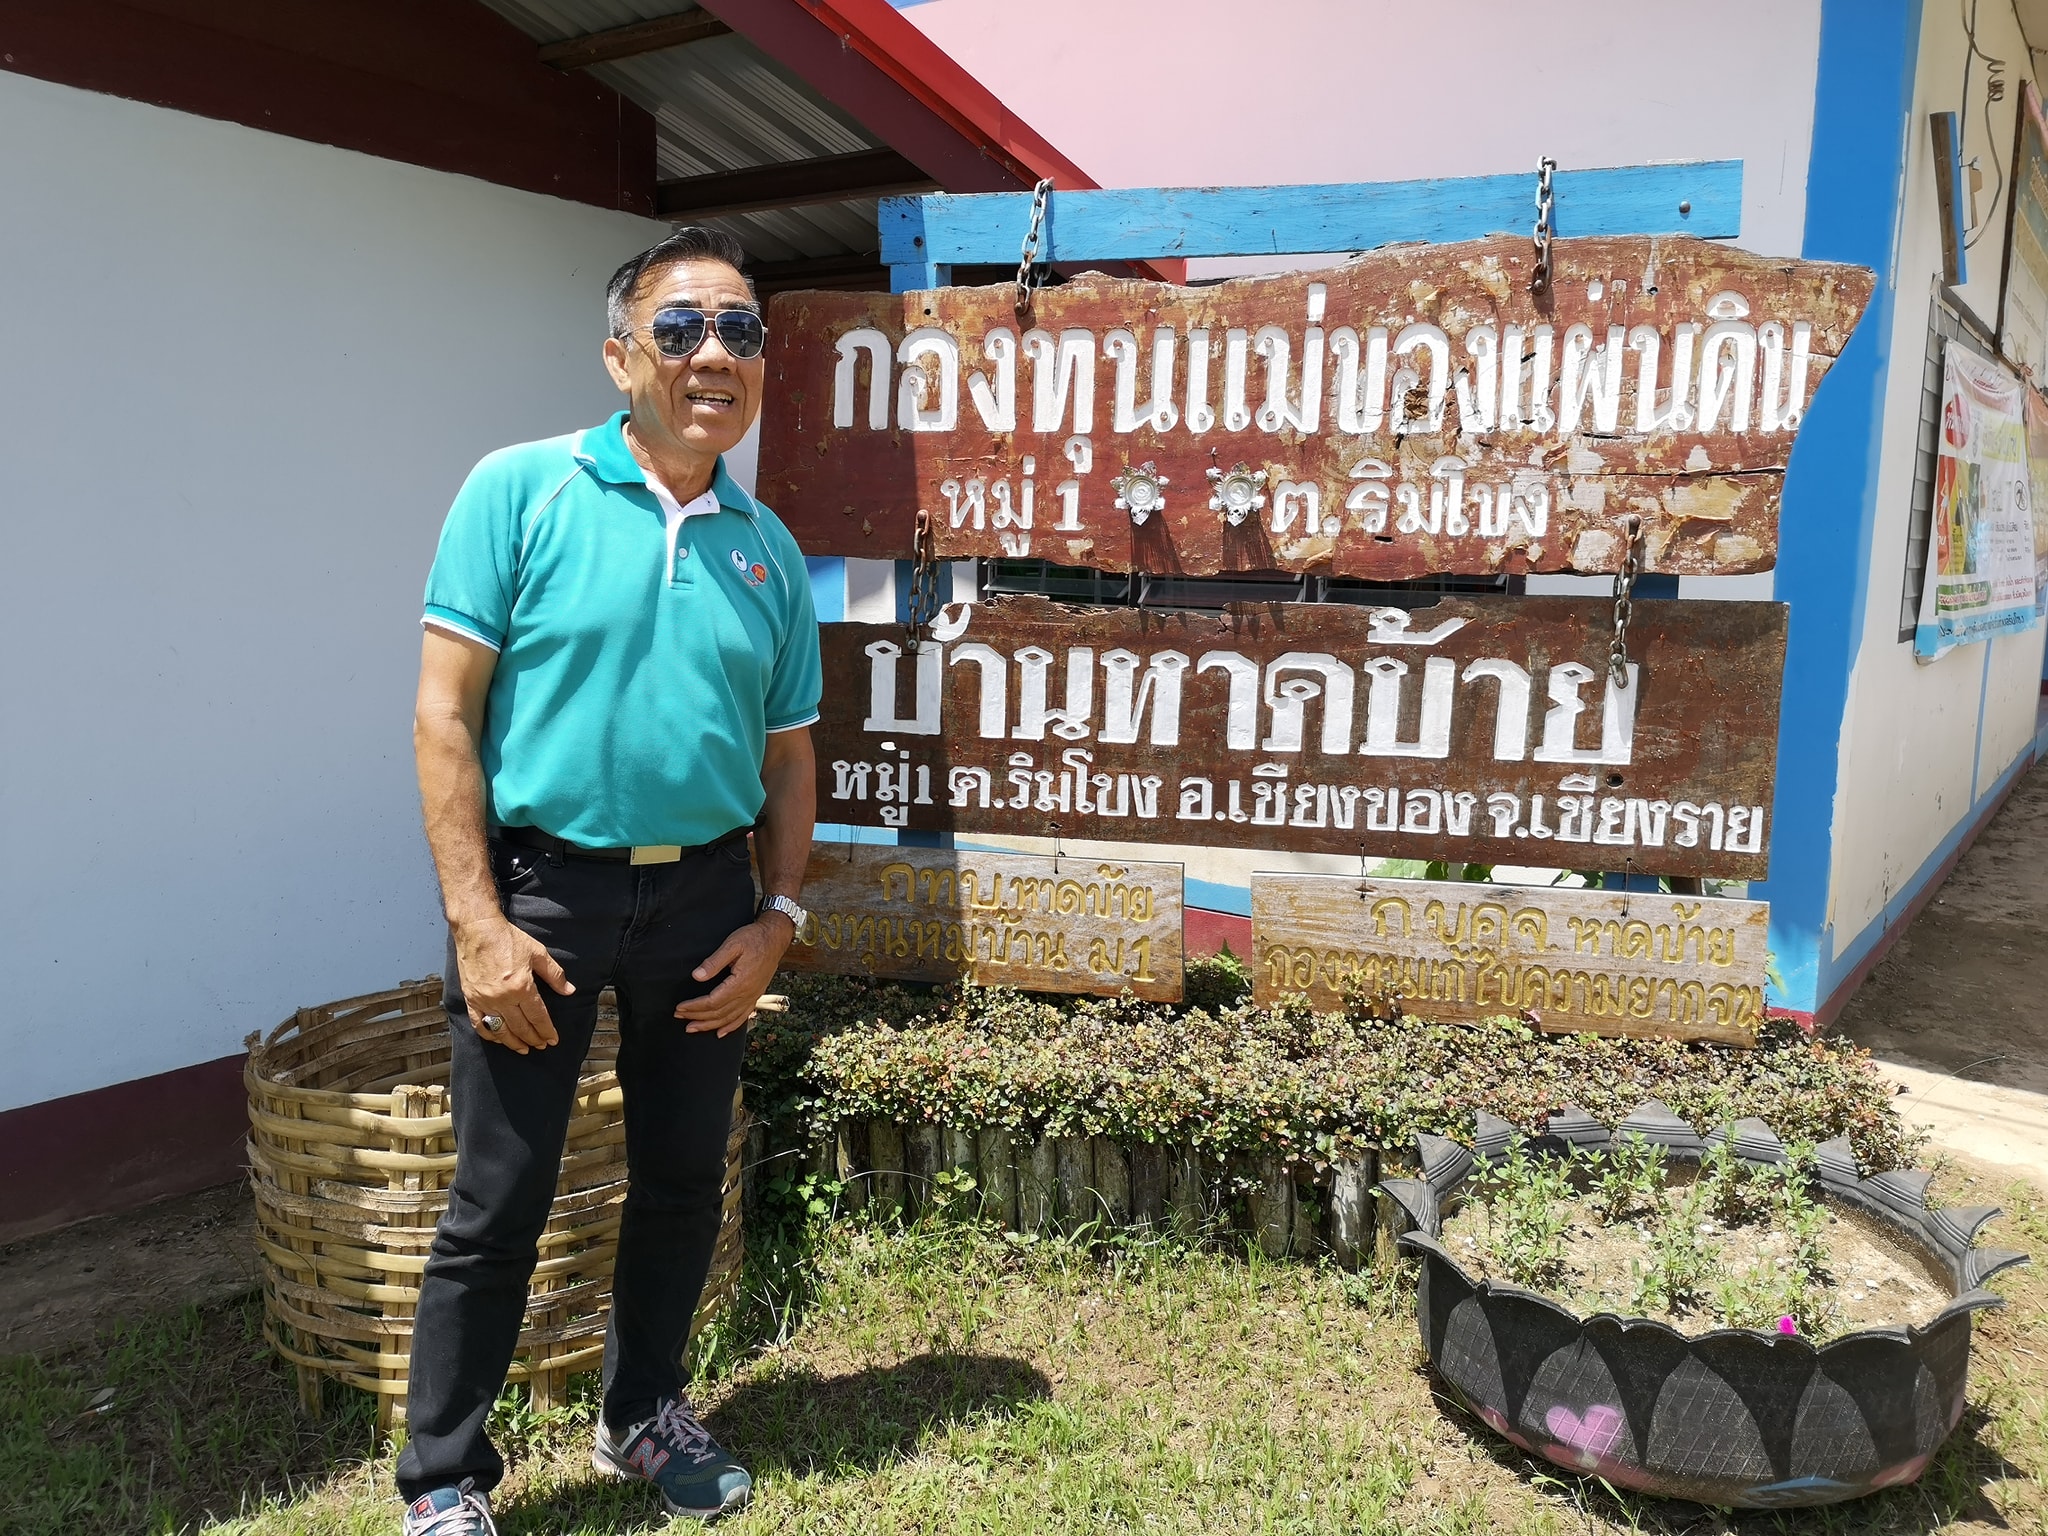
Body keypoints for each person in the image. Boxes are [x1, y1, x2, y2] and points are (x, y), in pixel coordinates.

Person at [397, 225, 819, 1534]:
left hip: (704, 905)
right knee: (500, 1195)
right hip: (545, 898)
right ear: (620, 356)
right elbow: (443, 717)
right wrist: (477, 924)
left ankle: (643, 1412)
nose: (715, 354)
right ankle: (444, 1477)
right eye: (681, 327)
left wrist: (777, 920)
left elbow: (790, 760)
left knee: (684, 1179)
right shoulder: (519, 492)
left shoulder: (768, 548)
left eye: (740, 330)